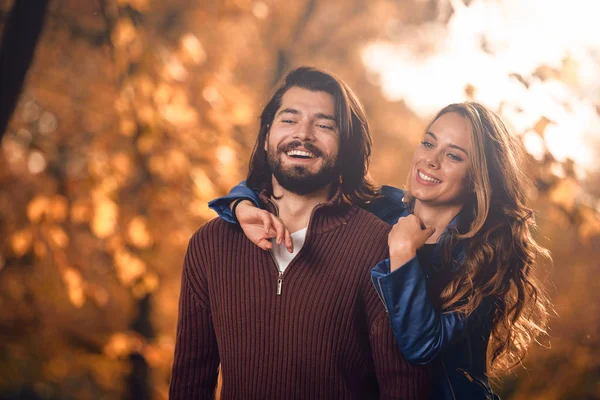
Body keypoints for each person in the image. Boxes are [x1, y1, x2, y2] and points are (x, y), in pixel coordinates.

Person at [210, 102, 552, 399]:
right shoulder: (377, 210)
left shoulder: (485, 262)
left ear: (479, 177)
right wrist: (241, 205)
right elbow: (293, 183)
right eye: (428, 143)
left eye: (452, 155)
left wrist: (402, 251)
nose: (430, 161)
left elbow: (421, 347)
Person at [169, 66, 429, 399]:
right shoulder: (211, 243)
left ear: (345, 146)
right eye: (289, 120)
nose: (303, 135)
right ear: (266, 137)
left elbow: (402, 384)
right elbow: (191, 382)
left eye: (323, 125)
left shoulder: (379, 245)